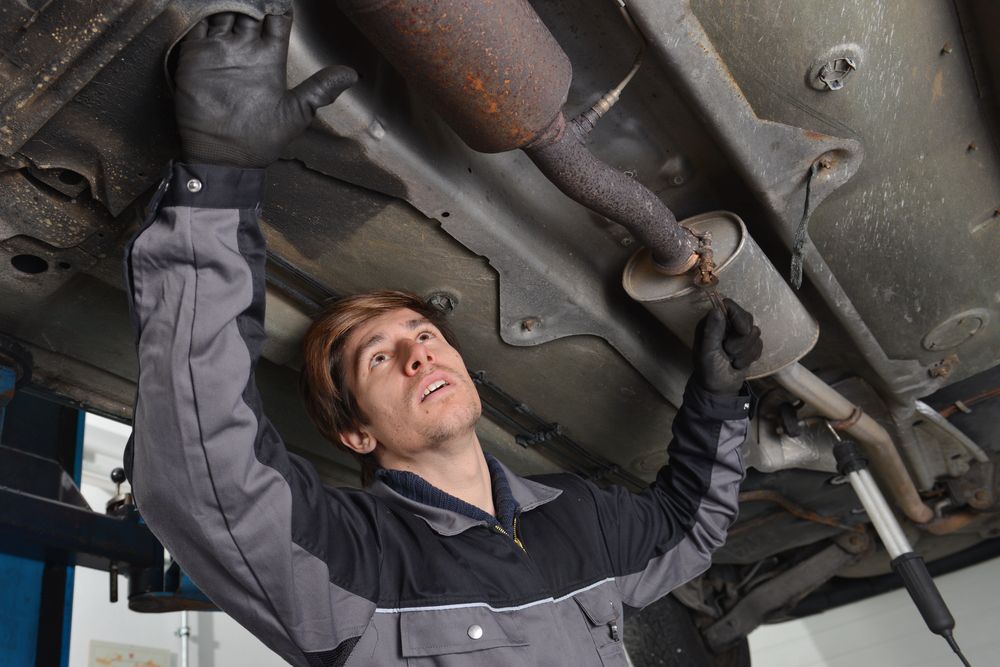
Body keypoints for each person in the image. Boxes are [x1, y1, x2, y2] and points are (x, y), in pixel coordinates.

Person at [125, 11, 762, 667]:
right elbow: (203, 472)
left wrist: (719, 396)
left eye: (424, 333)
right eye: (379, 357)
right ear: (355, 432)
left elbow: (689, 528)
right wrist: (220, 182)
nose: (417, 352)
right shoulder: (352, 559)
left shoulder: (579, 517)